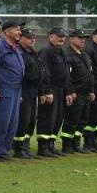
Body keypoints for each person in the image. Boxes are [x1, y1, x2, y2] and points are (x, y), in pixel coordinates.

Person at [0, 18, 26, 160]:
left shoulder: (16, 47)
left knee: (13, 121)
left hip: (16, 89)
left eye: (19, 29)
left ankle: (4, 150)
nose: (19, 32)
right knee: (2, 120)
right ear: (6, 31)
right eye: (16, 29)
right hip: (5, 88)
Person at [36, 28, 70, 158]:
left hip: (61, 90)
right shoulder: (46, 51)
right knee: (47, 118)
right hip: (51, 90)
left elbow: (66, 72)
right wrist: (47, 91)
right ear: (51, 37)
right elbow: (44, 73)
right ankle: (43, 146)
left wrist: (68, 91)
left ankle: (51, 144)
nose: (62, 39)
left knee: (57, 119)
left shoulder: (61, 52)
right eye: (59, 36)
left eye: (63, 36)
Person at [62, 29, 95, 155]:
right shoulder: (67, 55)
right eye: (79, 37)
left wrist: (91, 90)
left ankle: (76, 143)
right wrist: (71, 91)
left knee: (83, 119)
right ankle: (66, 144)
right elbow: (67, 76)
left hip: (86, 92)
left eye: (84, 38)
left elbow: (90, 74)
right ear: (71, 39)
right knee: (72, 119)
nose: (82, 40)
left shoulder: (84, 55)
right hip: (76, 92)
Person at [14, 27, 41, 159]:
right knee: (23, 119)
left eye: (33, 38)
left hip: (33, 90)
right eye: (29, 38)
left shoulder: (32, 53)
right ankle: (18, 148)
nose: (32, 40)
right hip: (24, 89)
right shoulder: (20, 52)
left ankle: (26, 145)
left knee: (31, 119)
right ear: (21, 38)